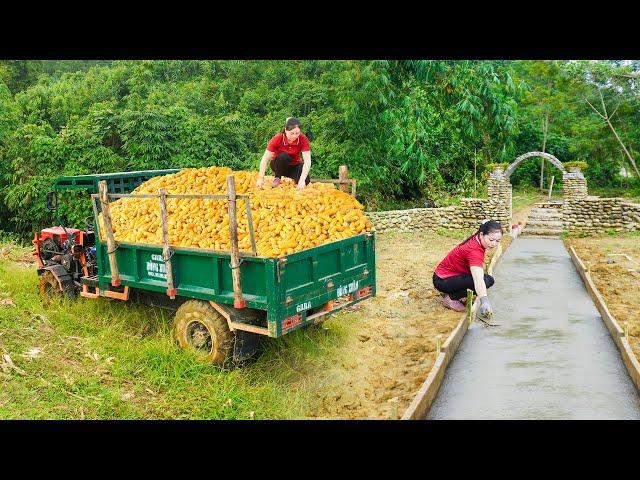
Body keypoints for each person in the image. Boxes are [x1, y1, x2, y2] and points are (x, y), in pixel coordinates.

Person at [432, 220, 503, 319]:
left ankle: (452, 292)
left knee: (489, 280)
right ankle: (451, 298)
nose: (494, 244)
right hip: (442, 280)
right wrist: (484, 301)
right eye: (491, 240)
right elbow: (478, 279)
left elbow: (485, 223)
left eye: (497, 241)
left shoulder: (478, 238)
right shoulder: (474, 251)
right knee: (483, 282)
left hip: (451, 276)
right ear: (482, 234)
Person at [256, 117, 311, 190]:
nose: (294, 136)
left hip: (294, 165)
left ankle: (291, 179)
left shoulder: (303, 139)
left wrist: (302, 180)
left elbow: (307, 161)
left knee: (306, 180)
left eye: (297, 133)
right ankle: (277, 178)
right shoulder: (278, 138)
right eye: (291, 133)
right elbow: (265, 159)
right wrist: (261, 178)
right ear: (285, 130)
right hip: (278, 165)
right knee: (284, 156)